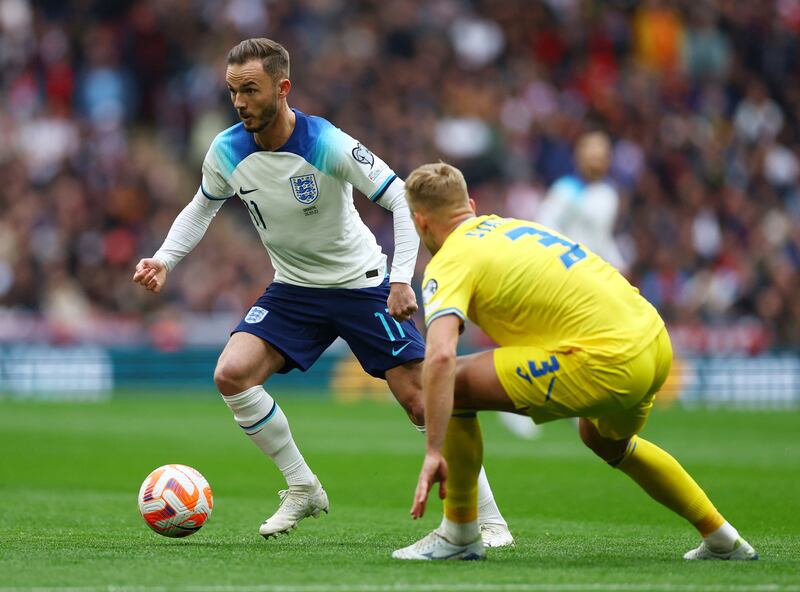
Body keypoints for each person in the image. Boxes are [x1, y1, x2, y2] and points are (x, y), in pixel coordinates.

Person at [132, 39, 512, 546]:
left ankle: (489, 519)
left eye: (250, 89)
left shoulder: (327, 143)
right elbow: (202, 206)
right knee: (231, 373)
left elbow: (400, 197)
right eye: (232, 91)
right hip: (294, 289)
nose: (240, 101)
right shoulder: (225, 150)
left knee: (423, 402)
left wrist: (401, 277)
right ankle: (301, 485)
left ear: (282, 88)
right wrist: (164, 258)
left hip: (362, 286)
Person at [391, 162, 757, 561]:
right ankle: (722, 537)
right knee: (602, 438)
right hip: (653, 339)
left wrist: (432, 452)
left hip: (610, 359)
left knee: (451, 383)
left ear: (420, 222)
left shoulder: (451, 258)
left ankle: (459, 534)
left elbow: (441, 355)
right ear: (472, 205)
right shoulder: (513, 227)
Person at [497, 131, 625, 439]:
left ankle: (574, 407)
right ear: (579, 157)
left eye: (602, 152)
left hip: (592, 281)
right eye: (591, 151)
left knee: (578, 346)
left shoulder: (609, 195)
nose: (596, 158)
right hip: (562, 279)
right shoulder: (566, 191)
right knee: (548, 344)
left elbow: (602, 237)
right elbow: (545, 228)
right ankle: (513, 402)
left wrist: (618, 263)